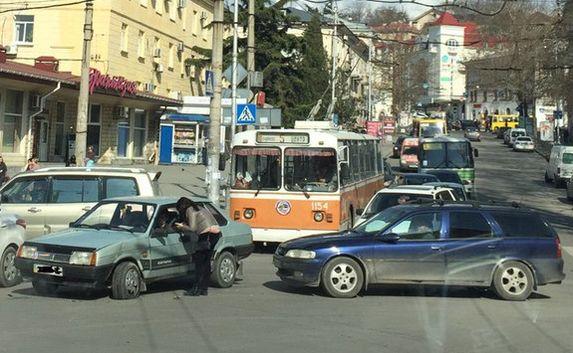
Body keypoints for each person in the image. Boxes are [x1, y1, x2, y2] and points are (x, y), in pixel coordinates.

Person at [174, 197, 221, 296]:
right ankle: (204, 289)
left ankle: (196, 289)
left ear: (182, 207)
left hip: (206, 235)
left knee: (199, 263)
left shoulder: (189, 210)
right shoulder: (198, 207)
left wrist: (182, 226)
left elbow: (192, 228)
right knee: (206, 262)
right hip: (215, 234)